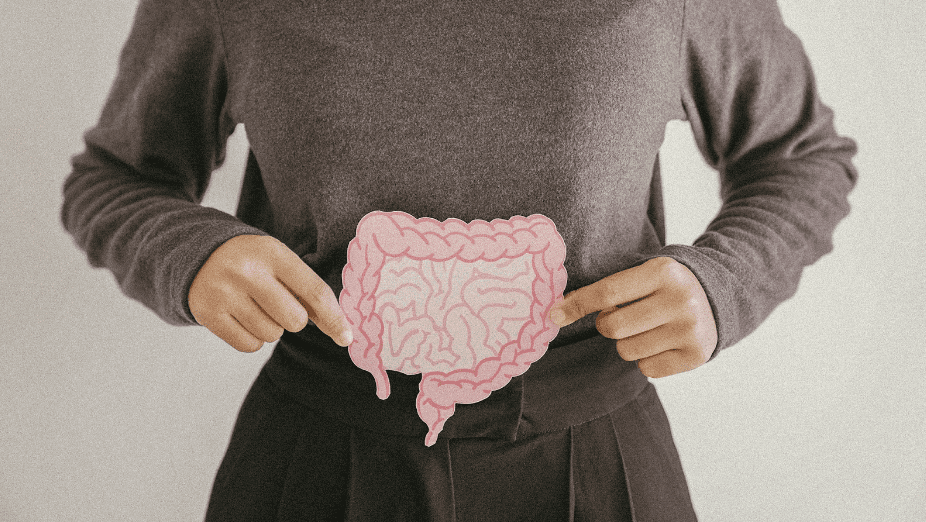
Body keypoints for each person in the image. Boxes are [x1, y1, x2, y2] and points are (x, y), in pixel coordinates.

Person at [61, 0, 857, 520]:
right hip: (319, 452)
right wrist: (190, 252)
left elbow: (800, 156)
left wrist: (725, 283)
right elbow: (116, 178)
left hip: (596, 452)